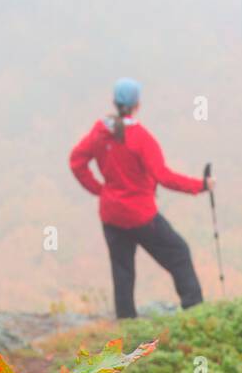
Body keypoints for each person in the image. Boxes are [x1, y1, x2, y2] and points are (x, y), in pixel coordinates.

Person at [69, 78, 213, 320]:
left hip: (111, 215)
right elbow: (163, 176)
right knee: (178, 253)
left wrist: (99, 190)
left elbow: (76, 161)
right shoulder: (141, 138)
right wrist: (201, 185)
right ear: (138, 104)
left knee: (122, 270)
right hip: (141, 215)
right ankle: (195, 312)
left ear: (114, 102)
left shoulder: (99, 132)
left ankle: (126, 322)